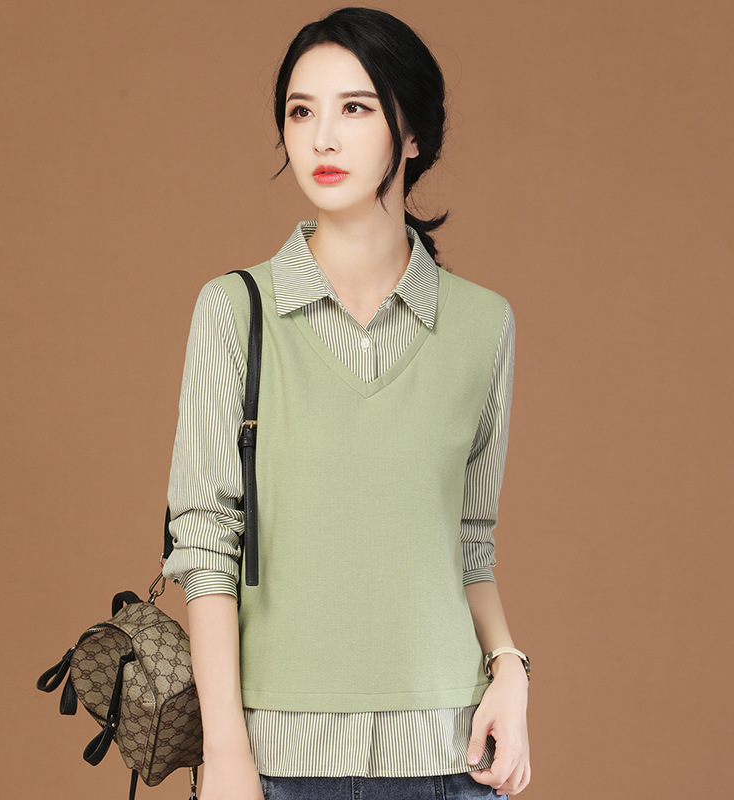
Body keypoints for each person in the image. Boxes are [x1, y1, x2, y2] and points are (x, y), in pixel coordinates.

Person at [162, 7, 531, 800]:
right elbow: (205, 545)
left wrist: (510, 669)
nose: (322, 138)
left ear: (413, 134)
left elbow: (469, 541)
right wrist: (226, 754)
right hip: (276, 763)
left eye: (355, 108)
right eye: (301, 112)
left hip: (449, 757)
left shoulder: (483, 325)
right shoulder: (234, 312)